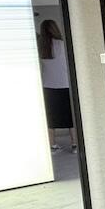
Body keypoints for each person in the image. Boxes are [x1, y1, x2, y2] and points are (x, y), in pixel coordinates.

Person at [37, 19, 77, 153]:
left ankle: (52, 145)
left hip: (48, 85)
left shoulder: (41, 48)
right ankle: (75, 144)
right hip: (65, 84)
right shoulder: (63, 45)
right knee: (70, 116)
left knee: (51, 117)